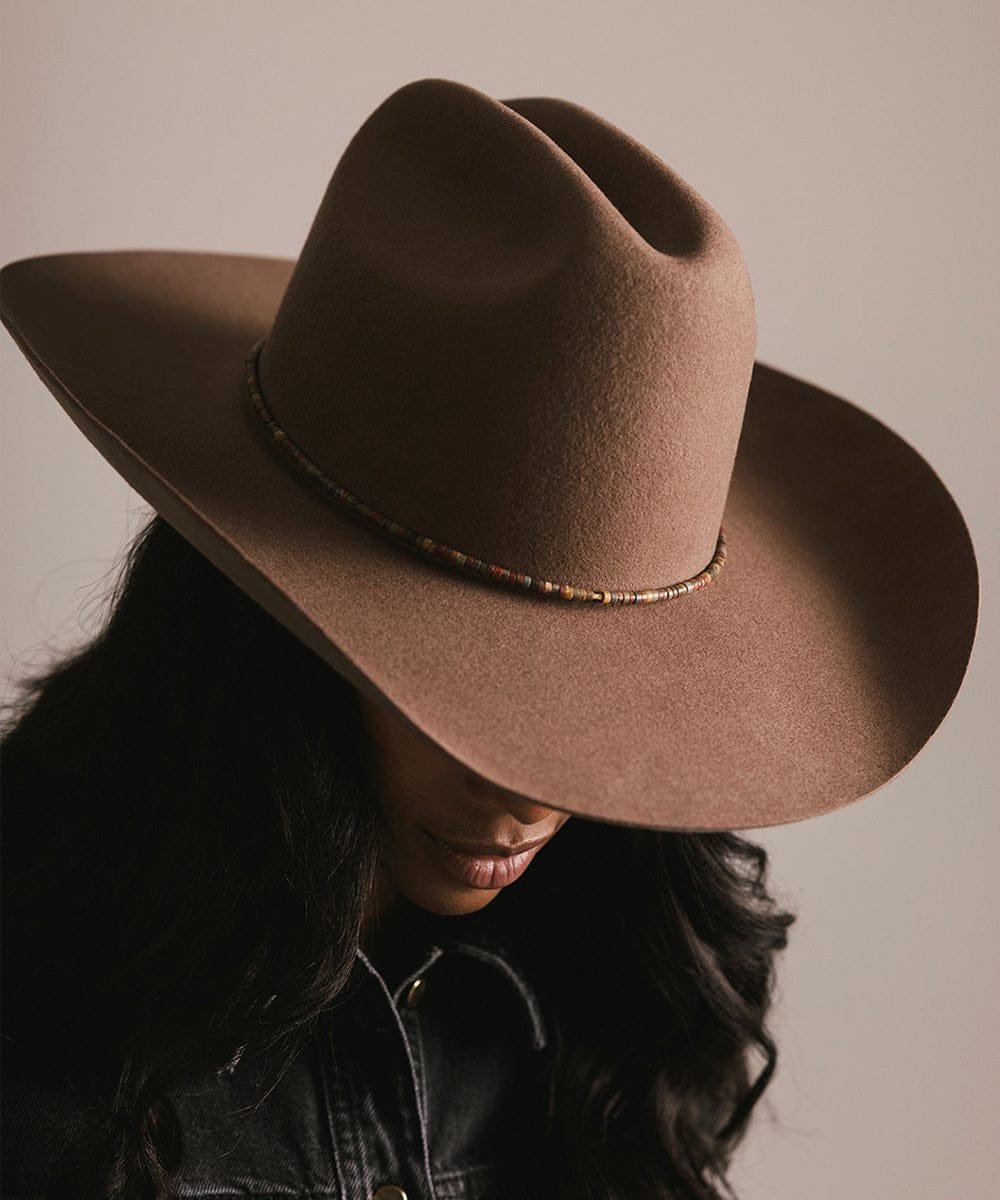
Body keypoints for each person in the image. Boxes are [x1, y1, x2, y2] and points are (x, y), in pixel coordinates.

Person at [0, 78, 978, 1200]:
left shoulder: (606, 995)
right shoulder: (46, 1041)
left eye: (597, 692)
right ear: (263, 622)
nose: (527, 791)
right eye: (460, 683)